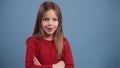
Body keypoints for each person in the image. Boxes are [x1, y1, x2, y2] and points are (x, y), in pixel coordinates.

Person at [25, 1, 74, 68]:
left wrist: (41, 67)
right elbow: (29, 67)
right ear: (40, 21)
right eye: (46, 19)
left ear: (59, 22)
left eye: (54, 19)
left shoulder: (64, 43)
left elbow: (70, 67)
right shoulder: (33, 42)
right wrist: (55, 66)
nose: (50, 23)